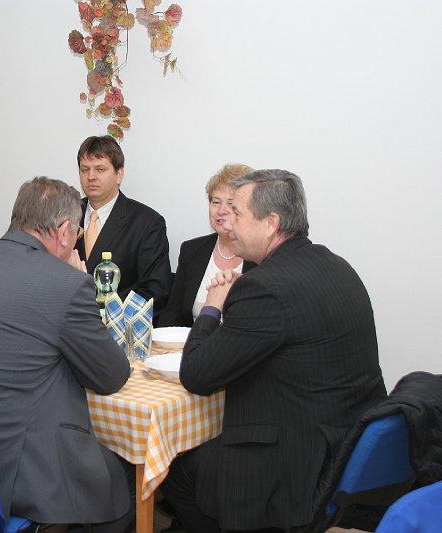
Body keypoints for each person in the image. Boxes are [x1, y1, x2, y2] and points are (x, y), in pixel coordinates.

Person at [161, 169, 386, 531]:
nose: (227, 221)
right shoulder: (337, 265)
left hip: (294, 467)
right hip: (346, 445)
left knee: (176, 472)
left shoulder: (264, 287)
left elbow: (197, 375)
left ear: (271, 224)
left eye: (237, 213)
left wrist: (213, 306)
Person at [0, 177, 133, 530]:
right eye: (77, 234)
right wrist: (75, 285)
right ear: (64, 231)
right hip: (10, 465)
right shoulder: (66, 283)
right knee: (121, 483)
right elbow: (111, 376)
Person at [74, 136, 172, 311]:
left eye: (100, 169)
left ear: (119, 174)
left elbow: (154, 290)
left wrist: (105, 313)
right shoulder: (65, 216)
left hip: (118, 323)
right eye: (84, 169)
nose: (91, 176)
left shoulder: (147, 223)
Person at [157, 163, 257, 327]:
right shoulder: (192, 250)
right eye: (216, 202)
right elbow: (173, 313)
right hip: (192, 340)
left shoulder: (262, 255)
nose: (221, 210)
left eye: (231, 203)